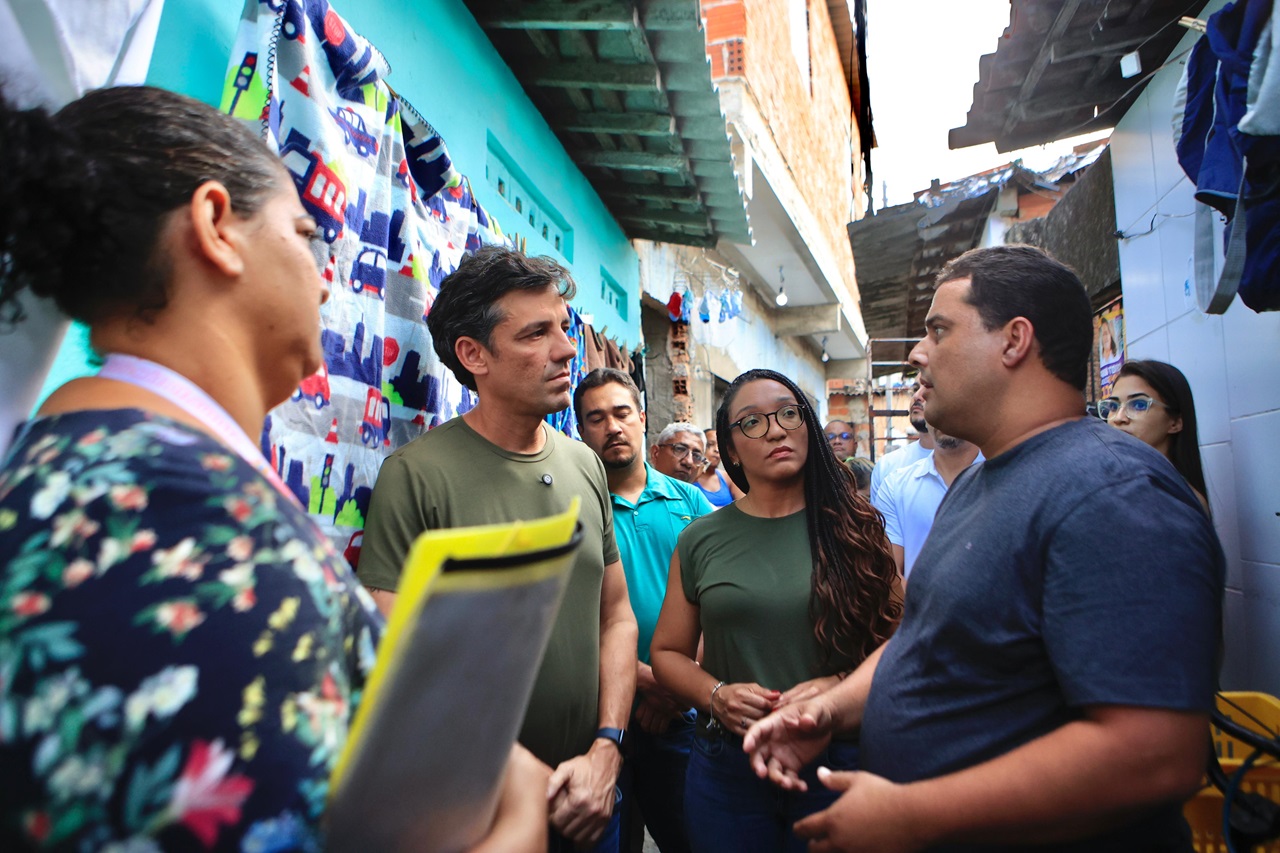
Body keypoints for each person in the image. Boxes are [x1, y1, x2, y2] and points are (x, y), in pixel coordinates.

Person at [0, 86, 546, 852]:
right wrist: (519, 821)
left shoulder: (61, 463)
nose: (327, 279)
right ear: (217, 225)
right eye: (303, 232)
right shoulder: (211, 534)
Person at [744, 245, 1224, 852]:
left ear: (1014, 341)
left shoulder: (1113, 494)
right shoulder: (979, 478)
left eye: (939, 330)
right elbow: (922, 641)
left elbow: (1154, 753)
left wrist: (915, 814)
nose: (918, 355)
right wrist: (829, 712)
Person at [357, 246, 637, 853]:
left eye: (564, 327)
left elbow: (615, 615)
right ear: (473, 354)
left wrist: (607, 747)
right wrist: (511, 774)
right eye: (537, 332)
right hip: (481, 809)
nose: (566, 349)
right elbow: (398, 651)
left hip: (594, 795)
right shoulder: (416, 475)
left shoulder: (585, 465)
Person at [650, 368, 902, 853]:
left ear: (807, 425)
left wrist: (840, 687)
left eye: (788, 413)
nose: (775, 429)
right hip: (728, 764)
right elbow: (667, 653)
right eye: (751, 422)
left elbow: (904, 639)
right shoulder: (700, 538)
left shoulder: (855, 526)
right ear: (728, 448)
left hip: (838, 753)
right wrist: (715, 694)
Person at [574, 368, 714, 853]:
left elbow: (716, 600)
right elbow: (571, 616)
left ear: (641, 418)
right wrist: (641, 680)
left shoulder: (689, 500)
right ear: (581, 430)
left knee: (689, 835)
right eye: (596, 418)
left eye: (621, 413)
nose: (611, 426)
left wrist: (680, 684)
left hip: (678, 716)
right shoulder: (576, 506)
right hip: (599, 716)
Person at [1099, 359, 1209, 513]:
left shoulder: (1183, 501)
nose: (1119, 418)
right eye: (1113, 406)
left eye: (1138, 405)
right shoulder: (1104, 487)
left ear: (1175, 422)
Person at [872, 424, 981, 579]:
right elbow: (891, 576)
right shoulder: (895, 485)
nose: (943, 412)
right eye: (934, 401)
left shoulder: (1008, 480)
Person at [867, 384, 934, 505]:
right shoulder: (887, 466)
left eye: (929, 386)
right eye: (915, 389)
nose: (917, 396)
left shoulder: (978, 461)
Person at [694, 427, 745, 508]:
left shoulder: (727, 477)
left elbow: (744, 507)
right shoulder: (690, 477)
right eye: (710, 444)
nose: (717, 450)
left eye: (720, 445)